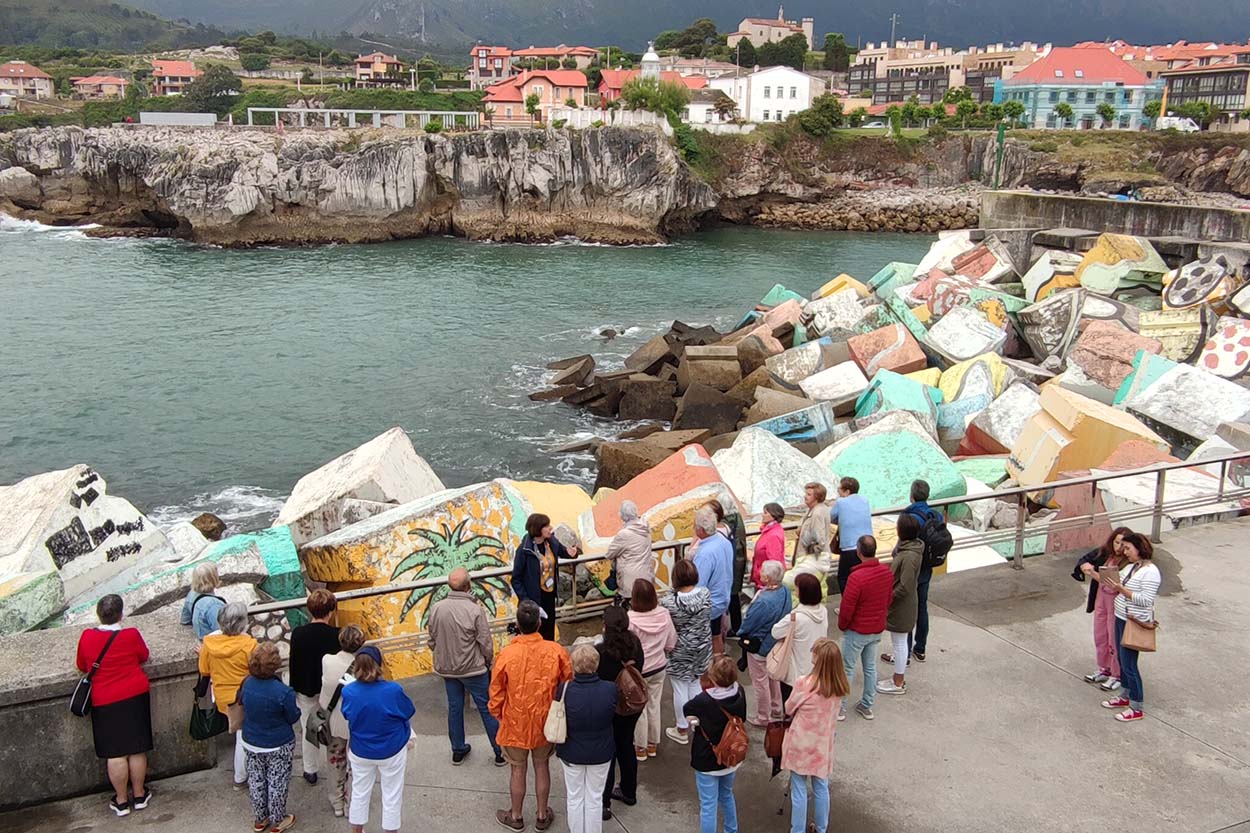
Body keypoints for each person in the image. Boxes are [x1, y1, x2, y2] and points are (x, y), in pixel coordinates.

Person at [490, 599, 573, 831]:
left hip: (515, 722)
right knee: (542, 765)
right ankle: (542, 815)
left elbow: (496, 692)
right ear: (539, 623)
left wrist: (498, 715)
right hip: (545, 721)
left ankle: (516, 816)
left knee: (517, 769)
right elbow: (568, 682)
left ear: (517, 624)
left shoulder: (506, 654)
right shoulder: (556, 651)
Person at [76, 594, 153, 817]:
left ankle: (121, 801)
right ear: (121, 615)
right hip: (134, 694)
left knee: (115, 753)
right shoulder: (131, 634)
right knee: (137, 747)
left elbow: (81, 665)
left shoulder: (87, 637)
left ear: (99, 615)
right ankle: (139, 795)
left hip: (105, 699)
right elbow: (143, 656)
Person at [428, 567, 503, 766]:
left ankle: (458, 750)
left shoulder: (437, 608)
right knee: (486, 708)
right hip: (473, 668)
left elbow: (432, 638)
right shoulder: (475, 610)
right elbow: (485, 642)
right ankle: (499, 751)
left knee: (455, 708)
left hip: (447, 668)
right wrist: (488, 661)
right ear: (468, 585)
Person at [341, 646, 416, 833]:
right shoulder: (393, 690)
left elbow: (346, 714)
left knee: (360, 792)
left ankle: (357, 830)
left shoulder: (349, 691)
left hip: (361, 749)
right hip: (391, 748)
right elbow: (408, 711)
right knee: (392, 794)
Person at [783, 638, 850, 833]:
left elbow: (788, 708)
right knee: (821, 786)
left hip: (801, 743)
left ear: (818, 659)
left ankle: (797, 830)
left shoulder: (804, 683)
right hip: (822, 744)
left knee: (799, 788)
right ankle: (821, 828)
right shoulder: (839, 686)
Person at [557, 644, 619, 833]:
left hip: (572, 751)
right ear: (596, 664)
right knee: (595, 797)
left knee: (574, 797)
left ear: (573, 665)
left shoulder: (564, 689)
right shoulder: (610, 688)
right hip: (601, 752)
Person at [239, 642, 300, 833]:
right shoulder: (283, 692)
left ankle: (260, 818)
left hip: (251, 739)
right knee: (277, 781)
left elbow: (241, 703)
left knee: (256, 780)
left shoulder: (247, 683)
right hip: (277, 742)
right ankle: (278, 819)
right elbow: (293, 717)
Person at [682, 655, 747, 833]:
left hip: (707, 758)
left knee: (708, 805)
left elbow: (687, 710)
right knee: (727, 795)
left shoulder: (703, 700)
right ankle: (731, 830)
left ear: (713, 677)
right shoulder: (740, 692)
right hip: (731, 755)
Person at [1101, 533, 1161, 722]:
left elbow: (1145, 600)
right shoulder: (1133, 567)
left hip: (1133, 621)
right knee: (1121, 659)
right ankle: (1125, 695)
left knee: (1129, 664)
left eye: (1128, 548)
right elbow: (1120, 582)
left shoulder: (1150, 572)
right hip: (1121, 617)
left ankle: (1136, 706)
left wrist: (1122, 590)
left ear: (1139, 548)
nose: (1125, 552)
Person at [199, 602, 258, 788]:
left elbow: (204, 670)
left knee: (240, 733)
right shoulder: (249, 645)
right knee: (243, 736)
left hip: (222, 697)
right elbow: (257, 670)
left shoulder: (209, 643)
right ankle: (240, 777)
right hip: (243, 697)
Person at [595, 607, 645, 819]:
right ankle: (628, 791)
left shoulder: (601, 652)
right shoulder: (635, 645)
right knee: (626, 745)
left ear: (605, 626)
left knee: (608, 753)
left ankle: (604, 803)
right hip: (632, 704)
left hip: (609, 707)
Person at [837, 535, 892, 720]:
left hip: (857, 630)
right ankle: (867, 705)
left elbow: (847, 607)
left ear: (859, 551)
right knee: (870, 668)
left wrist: (843, 625)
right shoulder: (886, 572)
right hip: (876, 628)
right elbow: (888, 599)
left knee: (847, 669)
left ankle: (840, 708)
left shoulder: (856, 577)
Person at [288, 589, 339, 785]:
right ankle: (336, 765)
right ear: (331, 610)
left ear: (310, 609)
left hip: (306, 688)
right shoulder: (336, 634)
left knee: (308, 728)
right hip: (331, 690)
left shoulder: (298, 634)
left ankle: (310, 769)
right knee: (334, 728)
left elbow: (295, 663)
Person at [1073, 527, 1131, 693]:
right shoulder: (1105, 553)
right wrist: (1084, 566)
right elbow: (1085, 558)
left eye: (1123, 544)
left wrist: (1093, 573)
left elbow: (1113, 584)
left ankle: (1117, 674)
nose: (1119, 547)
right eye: (1116, 542)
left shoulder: (1129, 563)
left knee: (1114, 638)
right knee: (1100, 635)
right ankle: (1104, 667)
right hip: (1101, 600)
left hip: (1117, 605)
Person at [661, 558, 712, 746]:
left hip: (681, 650)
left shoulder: (669, 603)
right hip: (702, 648)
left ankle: (682, 728)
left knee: (680, 689)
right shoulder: (705, 594)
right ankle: (698, 721)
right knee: (695, 683)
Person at [319, 624, 366, 818]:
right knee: (356, 766)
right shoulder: (364, 667)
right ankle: (351, 803)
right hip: (355, 722)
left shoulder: (327, 660)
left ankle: (337, 802)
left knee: (335, 762)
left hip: (333, 721)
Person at [626, 578, 676, 761]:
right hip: (659, 667)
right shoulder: (664, 614)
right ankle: (653, 744)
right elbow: (671, 642)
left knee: (639, 708)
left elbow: (627, 647)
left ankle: (640, 747)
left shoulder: (630, 619)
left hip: (639, 670)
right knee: (654, 705)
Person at [738, 560, 791, 727]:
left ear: (767, 578)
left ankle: (763, 716)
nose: (759, 572)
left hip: (759, 645)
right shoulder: (785, 591)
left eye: (762, 571)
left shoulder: (764, 601)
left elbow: (749, 623)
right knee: (773, 677)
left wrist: (741, 632)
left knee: (760, 682)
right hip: (775, 643)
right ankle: (776, 710)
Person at [513, 513, 579, 641]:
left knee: (549, 632)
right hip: (533, 600)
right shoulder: (524, 550)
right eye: (547, 526)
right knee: (534, 636)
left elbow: (563, 552)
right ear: (538, 529)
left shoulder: (551, 542)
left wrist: (573, 553)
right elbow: (516, 579)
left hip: (549, 595)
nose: (551, 528)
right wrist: (526, 600)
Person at [878, 514, 923, 696]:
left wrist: (888, 597)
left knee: (900, 642)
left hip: (902, 605)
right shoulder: (910, 550)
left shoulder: (909, 556)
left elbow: (905, 585)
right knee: (899, 641)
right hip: (902, 603)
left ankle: (898, 681)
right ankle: (898, 673)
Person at [770, 573, 829, 704]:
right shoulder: (823, 611)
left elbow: (775, 632)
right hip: (817, 672)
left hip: (796, 676)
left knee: (791, 708)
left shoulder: (796, 618)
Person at [690, 506, 733, 655]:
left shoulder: (704, 554)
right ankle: (720, 665)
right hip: (722, 598)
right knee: (716, 635)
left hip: (708, 605)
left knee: (704, 642)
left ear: (701, 530)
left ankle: (708, 667)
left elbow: (697, 586)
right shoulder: (724, 542)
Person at [904, 479, 938, 662]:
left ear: (912, 495)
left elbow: (902, 544)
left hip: (912, 566)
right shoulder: (935, 515)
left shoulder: (910, 517)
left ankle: (904, 652)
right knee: (922, 606)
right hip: (927, 566)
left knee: (907, 608)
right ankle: (920, 648)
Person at [605, 501, 655, 609]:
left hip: (629, 581)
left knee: (628, 610)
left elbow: (609, 554)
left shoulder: (624, 534)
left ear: (622, 516)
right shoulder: (646, 529)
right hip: (646, 578)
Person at [829, 477, 873, 595]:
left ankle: (848, 601)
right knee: (864, 576)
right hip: (868, 544)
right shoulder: (865, 500)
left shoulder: (841, 502)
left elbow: (831, 517)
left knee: (844, 577)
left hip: (850, 547)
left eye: (839, 489)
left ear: (847, 491)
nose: (838, 491)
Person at [786, 483, 832, 588]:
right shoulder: (813, 509)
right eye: (806, 493)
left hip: (811, 560)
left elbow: (818, 539)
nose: (805, 496)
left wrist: (809, 556)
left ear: (817, 497)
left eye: (809, 494)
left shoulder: (817, 513)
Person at [180, 562, 226, 640]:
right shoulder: (214, 605)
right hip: (213, 641)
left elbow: (185, 620)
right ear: (214, 579)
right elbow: (222, 631)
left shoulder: (191, 594)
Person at [750, 503, 787, 591]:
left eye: (765, 513)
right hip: (762, 578)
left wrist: (763, 576)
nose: (762, 515)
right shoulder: (769, 531)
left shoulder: (773, 535)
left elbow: (774, 562)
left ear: (773, 516)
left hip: (766, 582)